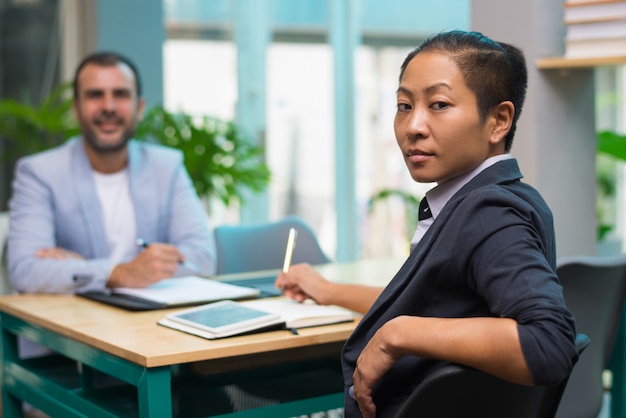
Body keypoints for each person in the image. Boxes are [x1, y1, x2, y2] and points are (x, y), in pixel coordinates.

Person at [275, 30, 579, 418]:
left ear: (498, 120)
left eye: (438, 104)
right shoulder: (504, 197)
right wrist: (328, 290)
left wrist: (397, 335)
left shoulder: (489, 214)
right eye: (404, 105)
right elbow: (432, 303)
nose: (413, 126)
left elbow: (549, 343)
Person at [7, 51, 216, 294]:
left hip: (148, 324)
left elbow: (202, 260)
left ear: (139, 108)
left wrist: (82, 268)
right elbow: (25, 271)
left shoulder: (166, 167)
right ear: (76, 108)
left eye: (121, 94)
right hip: (70, 325)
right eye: (95, 95)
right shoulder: (39, 173)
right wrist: (118, 273)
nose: (109, 106)